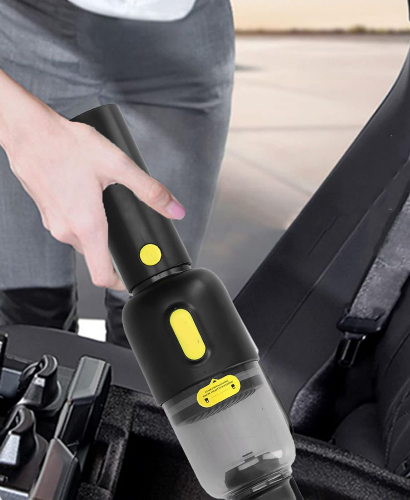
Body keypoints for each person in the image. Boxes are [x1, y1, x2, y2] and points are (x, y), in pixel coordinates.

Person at [0, 0, 234, 346]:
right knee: (28, 320)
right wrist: (17, 127)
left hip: (180, 43)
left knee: (154, 316)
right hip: (21, 36)